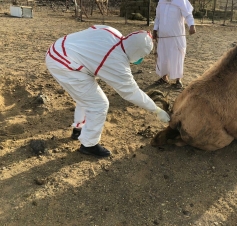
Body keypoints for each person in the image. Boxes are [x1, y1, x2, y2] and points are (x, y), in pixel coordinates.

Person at [45, 25, 170, 158]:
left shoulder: (111, 31)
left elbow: (90, 33)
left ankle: (79, 129)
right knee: (99, 104)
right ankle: (89, 144)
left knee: (87, 95)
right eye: (143, 55)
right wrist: (156, 110)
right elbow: (131, 92)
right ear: (137, 52)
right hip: (64, 64)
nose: (142, 59)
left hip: (59, 49)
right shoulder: (116, 61)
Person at [152, 0, 196, 89]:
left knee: (177, 56)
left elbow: (188, 15)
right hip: (163, 36)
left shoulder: (181, 1)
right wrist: (155, 30)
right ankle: (164, 77)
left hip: (176, 36)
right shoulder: (161, 2)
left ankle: (178, 80)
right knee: (163, 56)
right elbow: (158, 17)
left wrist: (192, 25)